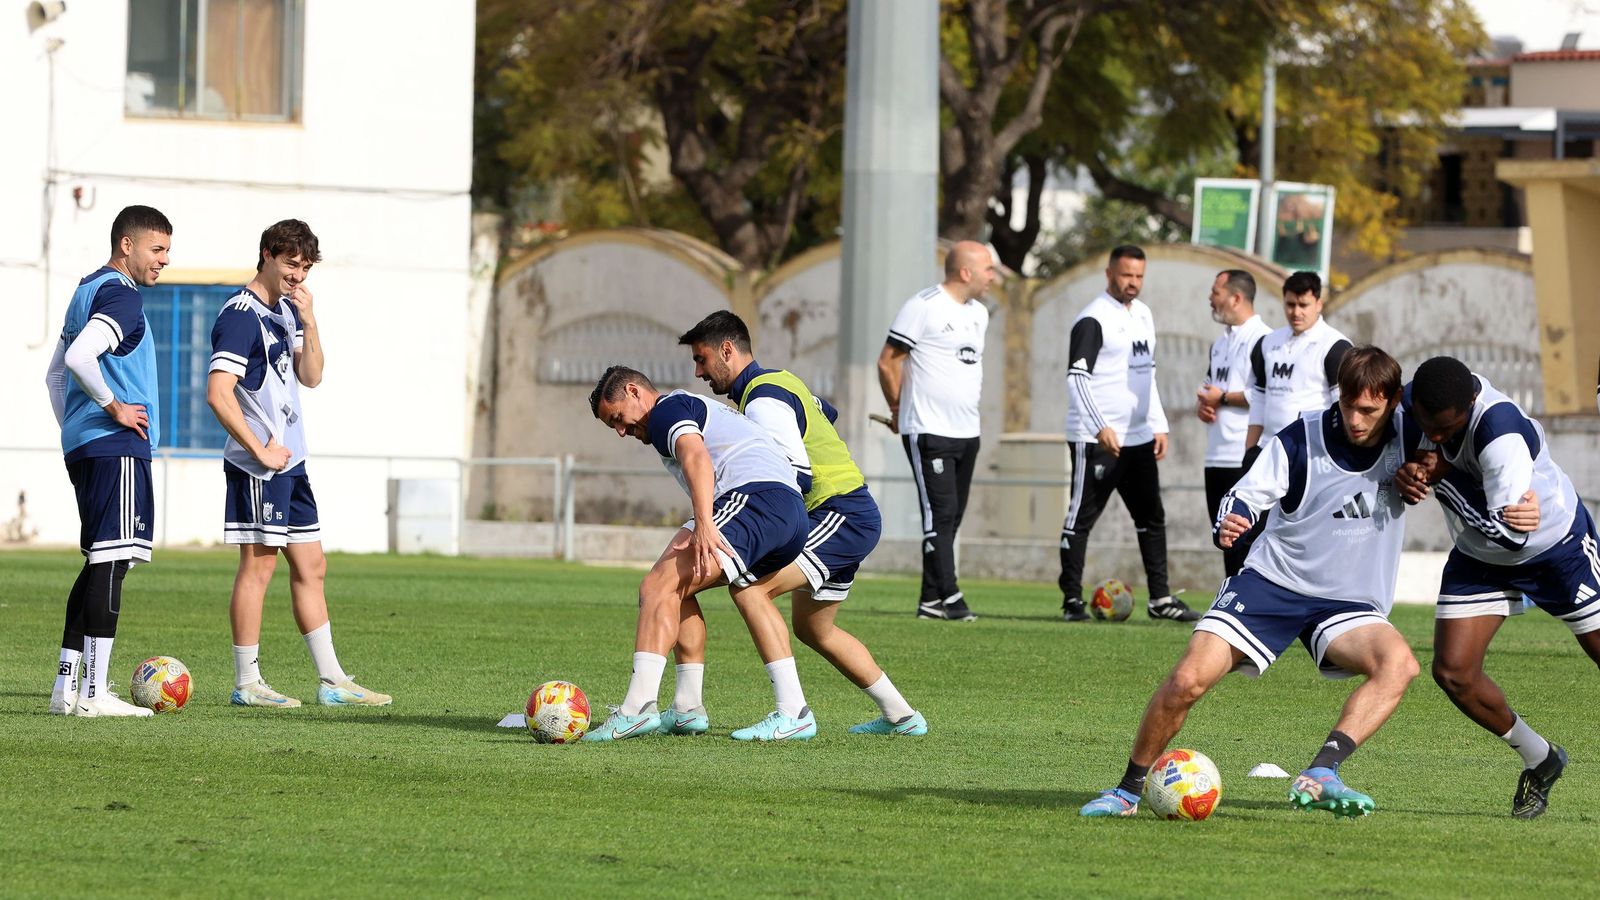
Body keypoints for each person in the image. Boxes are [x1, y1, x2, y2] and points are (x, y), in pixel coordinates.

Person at [1080, 347, 1455, 819]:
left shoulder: (1414, 431)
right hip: (1273, 583)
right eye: (1347, 406)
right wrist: (1232, 518)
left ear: (1394, 401)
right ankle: (1127, 792)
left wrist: (1425, 471)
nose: (1356, 420)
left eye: (1369, 410)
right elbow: (1244, 494)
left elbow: (1452, 453)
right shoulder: (1301, 438)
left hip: (1345, 602)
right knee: (1186, 681)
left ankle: (1322, 773)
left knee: (1400, 665)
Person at [673, 311, 926, 736]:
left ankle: (793, 715)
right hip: (849, 511)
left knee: (750, 586)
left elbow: (797, 473)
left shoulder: (762, 398)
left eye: (701, 359)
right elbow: (827, 411)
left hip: (837, 512)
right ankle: (903, 716)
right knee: (814, 627)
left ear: (728, 351)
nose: (698, 372)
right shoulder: (779, 382)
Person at [1397, 356, 1599, 819]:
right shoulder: (1408, 405)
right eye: (1430, 426)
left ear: (1470, 401)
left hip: (1556, 549)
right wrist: (1404, 474)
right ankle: (1542, 759)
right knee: (1454, 674)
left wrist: (1442, 478)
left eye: (1449, 430)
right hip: (1479, 556)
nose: (1439, 438)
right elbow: (1398, 456)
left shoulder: (1500, 433)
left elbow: (1511, 533)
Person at [206, 219, 390, 708]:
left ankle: (333, 681)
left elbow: (312, 377)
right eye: (290, 264)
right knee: (258, 566)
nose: (297, 275)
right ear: (266, 254)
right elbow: (217, 394)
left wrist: (310, 321)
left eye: (305, 267)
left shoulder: (285, 312)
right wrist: (260, 450)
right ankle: (247, 683)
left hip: (293, 463)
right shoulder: (240, 315)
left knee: (312, 564)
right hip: (258, 466)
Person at [585, 366, 816, 741]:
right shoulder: (685, 408)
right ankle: (695, 708)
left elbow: (696, 458)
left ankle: (637, 709)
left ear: (634, 391)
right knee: (685, 589)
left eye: (618, 418)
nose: (622, 431)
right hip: (788, 512)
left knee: (657, 586)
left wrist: (705, 523)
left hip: (756, 499)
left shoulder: (665, 410)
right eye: (614, 427)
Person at [44, 205, 172, 717]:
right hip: (114, 446)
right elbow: (78, 360)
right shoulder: (121, 295)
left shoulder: (86, 290)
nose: (164, 260)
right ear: (127, 245)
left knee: (100, 559)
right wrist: (112, 409)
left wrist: (75, 431)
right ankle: (95, 694)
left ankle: (65, 689)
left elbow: (54, 377)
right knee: (112, 562)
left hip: (87, 445)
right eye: (157, 249)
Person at [1060, 245, 1197, 623]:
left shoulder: (1144, 316)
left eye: (1138, 276)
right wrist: (1098, 425)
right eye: (1126, 276)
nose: (1132, 283)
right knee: (1080, 518)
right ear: (1109, 275)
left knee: (1151, 516)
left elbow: (1146, 375)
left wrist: (1159, 423)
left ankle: (1161, 599)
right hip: (1098, 439)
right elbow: (1077, 378)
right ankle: (1072, 601)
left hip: (1138, 438)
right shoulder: (1093, 319)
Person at [877, 241, 996, 621]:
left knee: (952, 517)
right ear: (965, 272)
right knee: (939, 516)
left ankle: (930, 601)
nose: (992, 277)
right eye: (988, 270)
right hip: (928, 430)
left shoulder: (979, 314)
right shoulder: (922, 306)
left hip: (968, 430)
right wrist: (898, 408)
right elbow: (887, 362)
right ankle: (952, 597)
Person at [1195, 269, 1271, 577]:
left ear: (1236, 298)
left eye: (1216, 293)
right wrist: (1205, 406)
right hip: (1216, 454)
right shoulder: (1219, 343)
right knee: (1225, 541)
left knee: (1248, 542)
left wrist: (1222, 398)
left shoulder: (1264, 341)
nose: (1210, 299)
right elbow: (1210, 389)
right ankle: (1231, 611)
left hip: (1243, 455)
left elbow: (1266, 395)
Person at [1244, 270, 1351, 458]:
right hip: (1268, 449)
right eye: (1290, 304)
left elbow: (1343, 407)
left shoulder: (1335, 345)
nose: (1296, 312)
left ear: (1319, 304)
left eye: (1303, 305)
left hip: (1312, 452)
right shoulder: (1268, 342)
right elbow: (1259, 399)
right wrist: (1250, 450)